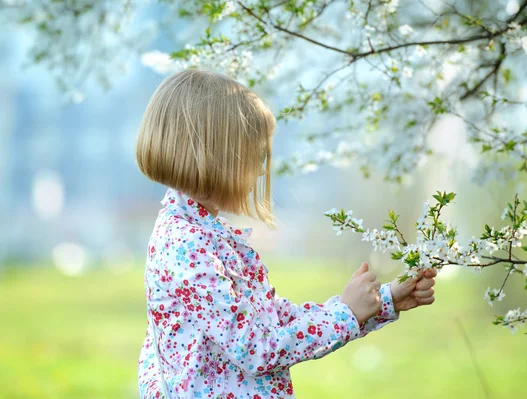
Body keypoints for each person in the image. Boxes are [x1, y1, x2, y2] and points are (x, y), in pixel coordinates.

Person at [135, 68, 437, 399]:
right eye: (253, 157)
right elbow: (256, 349)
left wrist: (382, 301)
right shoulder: (186, 247)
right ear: (216, 157)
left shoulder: (203, 234)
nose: (262, 169)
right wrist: (347, 313)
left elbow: (273, 320)